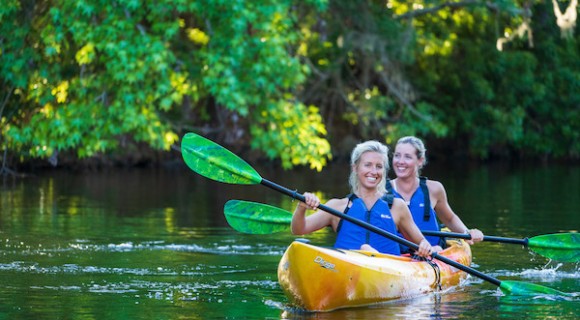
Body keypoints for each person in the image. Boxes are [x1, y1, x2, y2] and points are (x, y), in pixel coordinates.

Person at [291, 140, 433, 257]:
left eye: (379, 166)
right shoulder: (337, 207)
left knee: (366, 249)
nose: (373, 171)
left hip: (388, 272)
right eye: (368, 165)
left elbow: (421, 242)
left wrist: (425, 246)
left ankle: (369, 255)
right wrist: (302, 207)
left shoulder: (397, 207)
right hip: (345, 270)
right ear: (355, 168)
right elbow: (299, 229)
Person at [389, 136, 484, 252]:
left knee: (438, 248)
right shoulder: (383, 190)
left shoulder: (434, 189)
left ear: (420, 160)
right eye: (397, 155)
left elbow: (449, 219)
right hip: (398, 255)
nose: (400, 161)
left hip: (434, 252)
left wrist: (467, 232)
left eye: (407, 157)